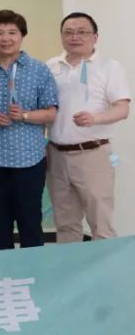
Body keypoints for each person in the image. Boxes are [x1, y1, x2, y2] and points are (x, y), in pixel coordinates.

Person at [0, 10, 58, 251]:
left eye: (12, 32)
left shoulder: (39, 70)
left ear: (22, 36)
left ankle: (32, 271)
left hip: (29, 160)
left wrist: (25, 115)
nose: (5, 38)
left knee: (30, 224)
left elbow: (51, 112)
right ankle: (3, 272)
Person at [46, 12, 130, 242]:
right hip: (56, 155)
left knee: (101, 224)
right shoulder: (51, 66)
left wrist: (95, 118)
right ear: (62, 36)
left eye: (82, 32)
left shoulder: (110, 67)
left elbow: (122, 109)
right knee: (65, 224)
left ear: (95, 37)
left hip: (93, 154)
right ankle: (70, 266)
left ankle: (106, 267)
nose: (75, 37)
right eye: (69, 32)